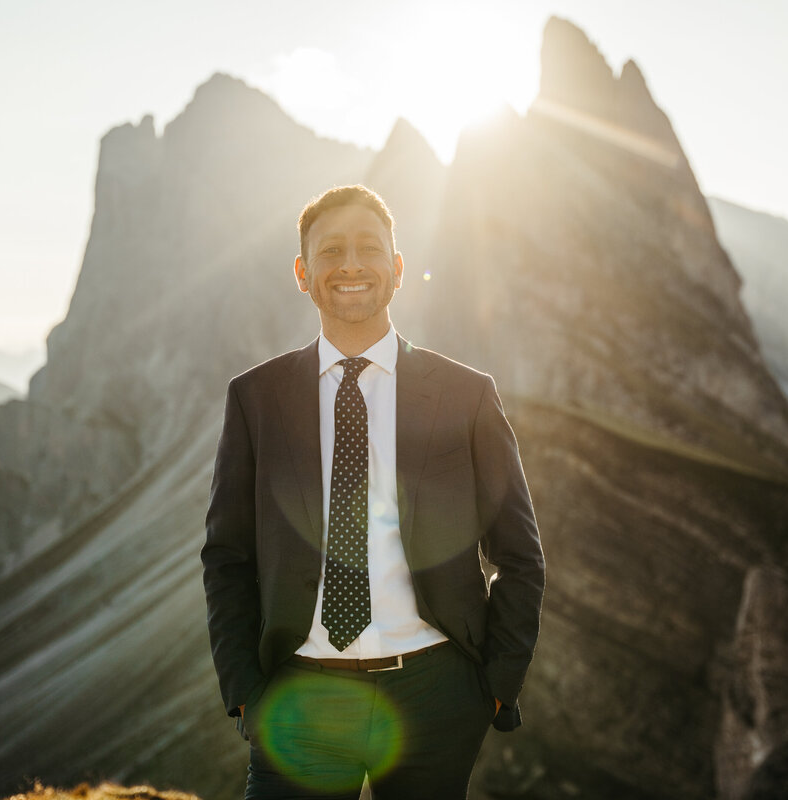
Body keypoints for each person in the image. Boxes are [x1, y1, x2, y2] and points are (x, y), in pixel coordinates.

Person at [202, 184, 544, 800]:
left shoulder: (466, 395)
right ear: (303, 274)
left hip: (436, 696)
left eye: (369, 248)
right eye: (331, 251)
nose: (352, 264)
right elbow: (227, 558)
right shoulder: (256, 399)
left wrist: (494, 683)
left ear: (399, 267)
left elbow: (519, 553)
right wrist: (247, 694)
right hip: (298, 695)